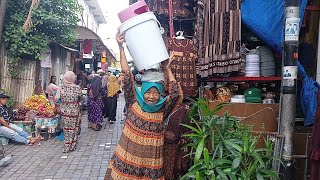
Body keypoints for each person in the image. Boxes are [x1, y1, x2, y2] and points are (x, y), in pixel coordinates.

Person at [104, 31, 183, 179]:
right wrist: (120, 47)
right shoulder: (133, 100)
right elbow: (126, 74)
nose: (151, 97)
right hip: (127, 162)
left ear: (160, 93)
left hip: (150, 167)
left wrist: (167, 69)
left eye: (156, 93)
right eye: (148, 92)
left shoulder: (162, 108)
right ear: (143, 90)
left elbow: (176, 94)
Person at [55, 71, 82, 153]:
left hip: (65, 111)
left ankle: (67, 146)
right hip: (75, 110)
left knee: (66, 129)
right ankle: (73, 145)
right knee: (74, 128)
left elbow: (56, 99)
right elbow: (80, 98)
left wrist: (62, 102)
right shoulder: (77, 88)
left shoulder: (61, 87)